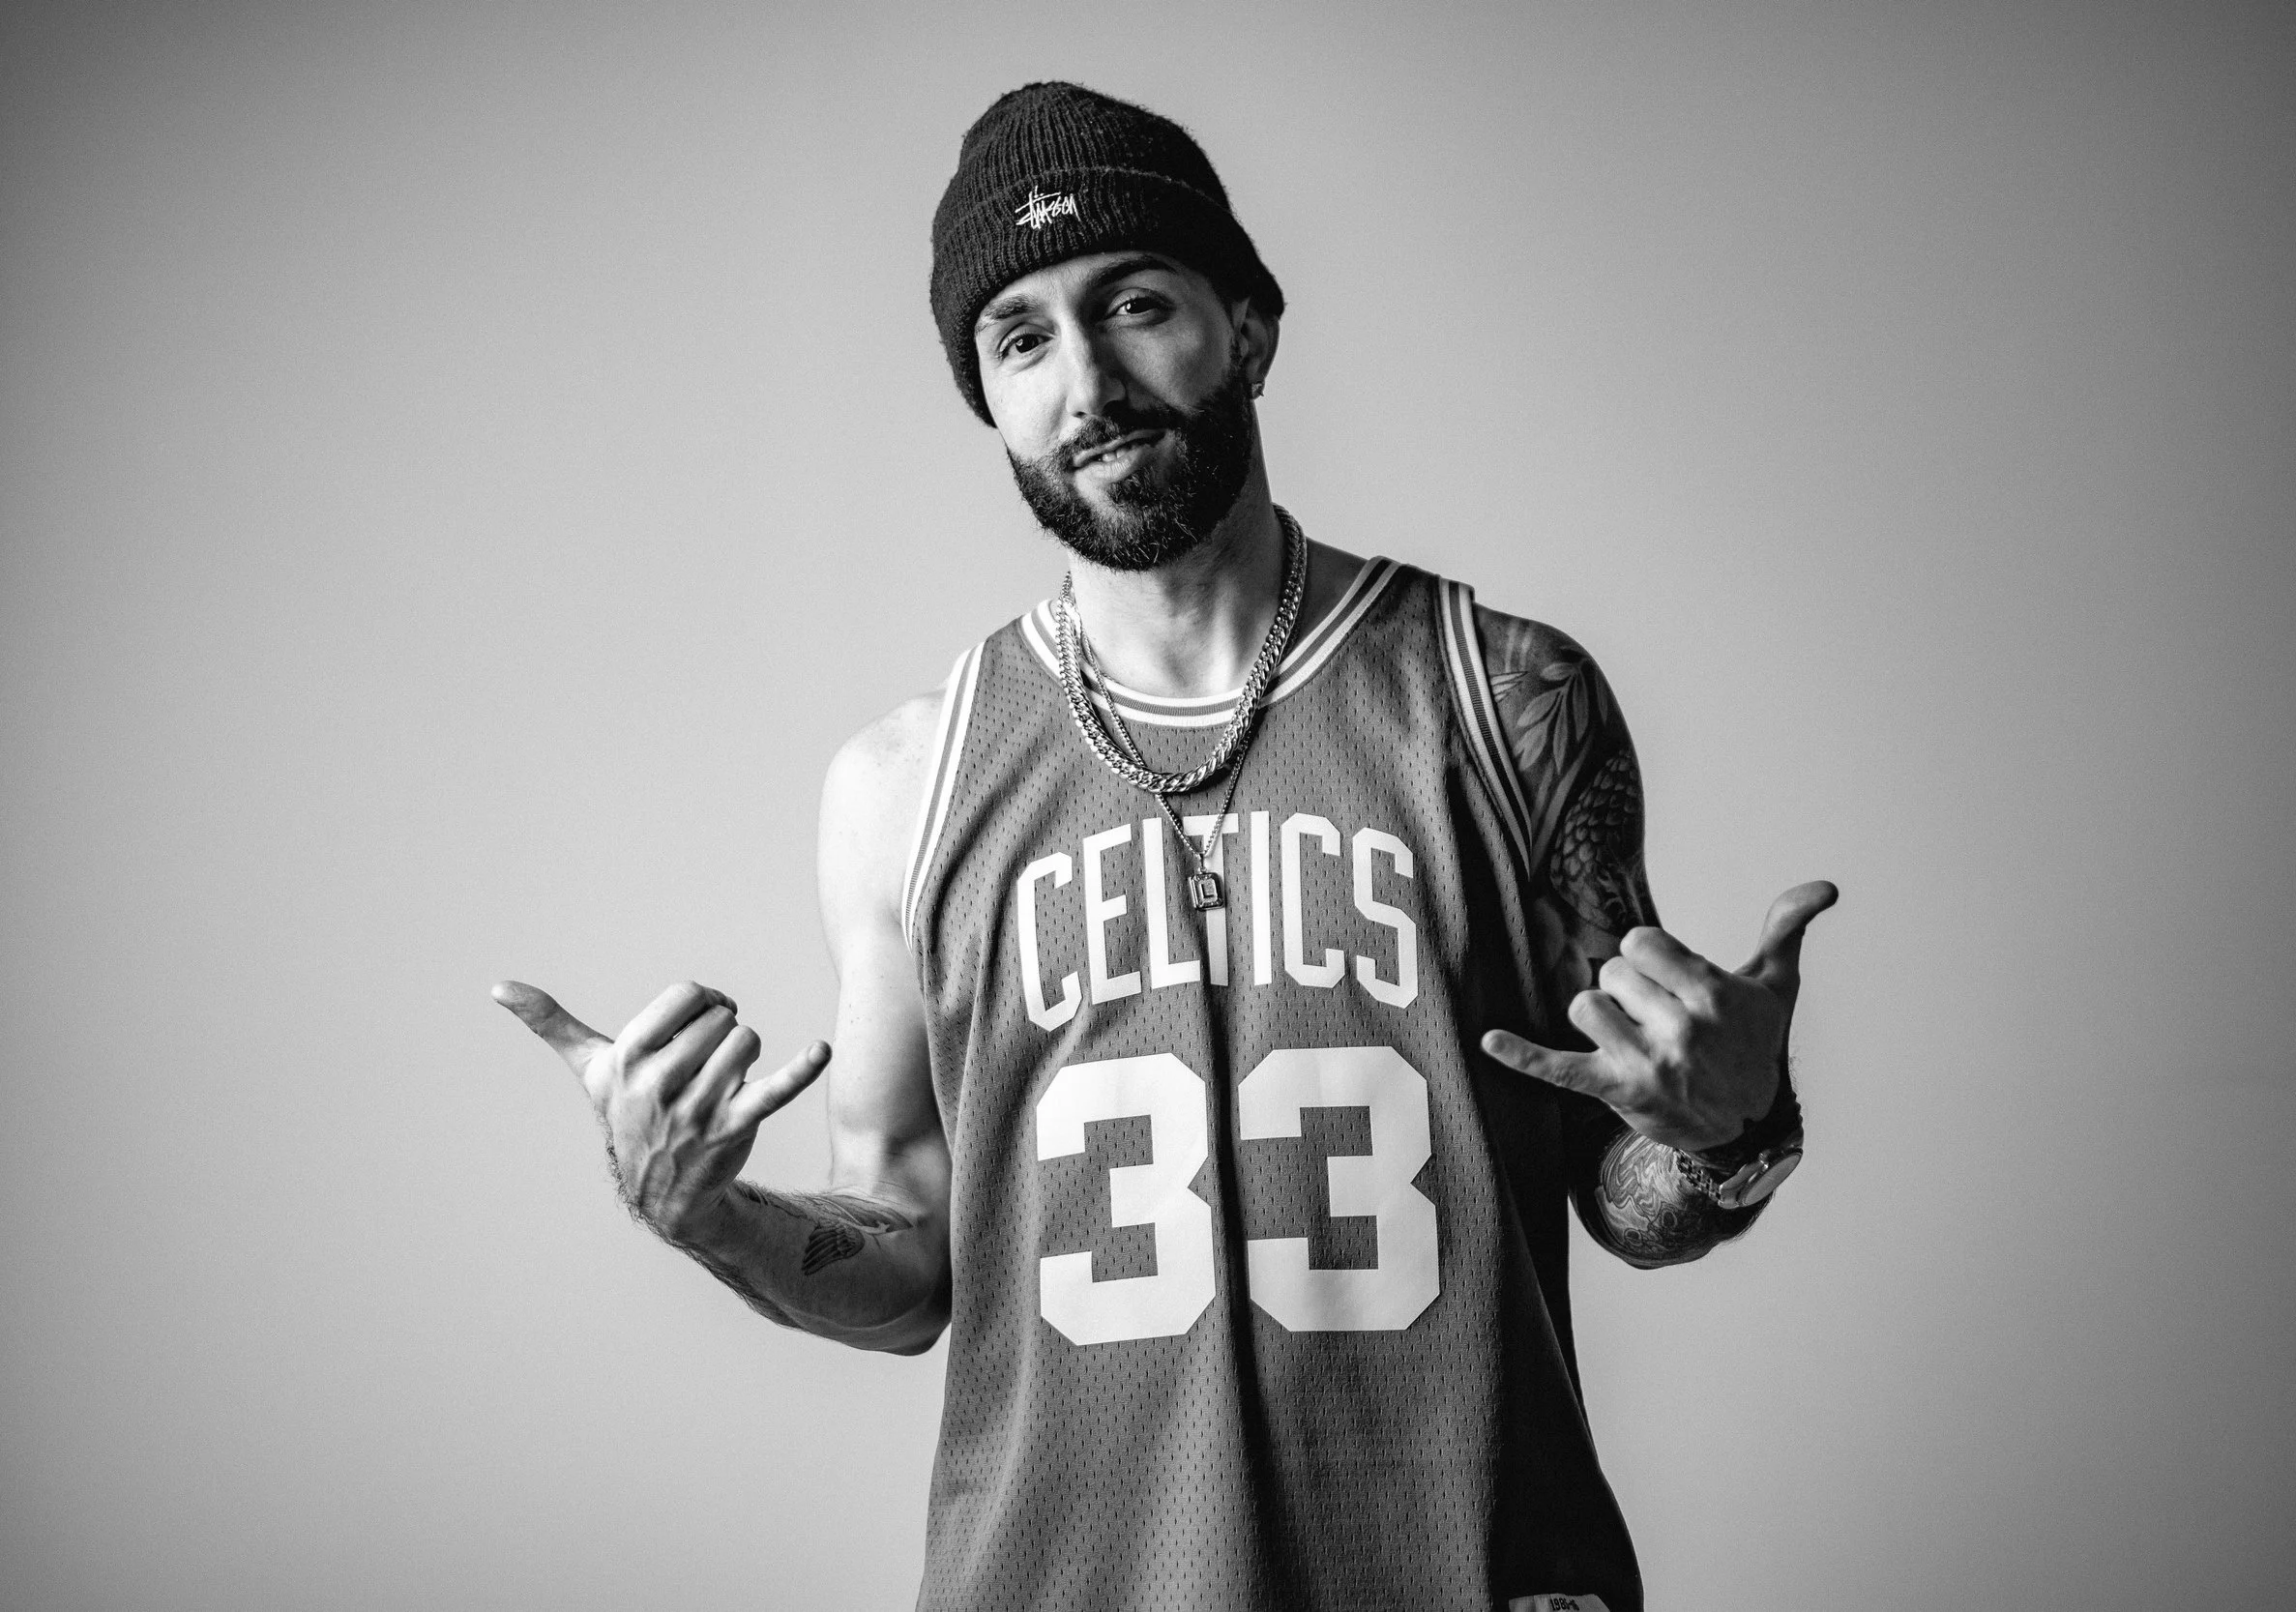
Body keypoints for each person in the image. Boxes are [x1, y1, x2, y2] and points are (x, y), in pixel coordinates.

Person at [495, 81, 1836, 1612]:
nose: (1088, 382)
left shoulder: (1506, 697)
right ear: (987, 399)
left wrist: (1734, 1131)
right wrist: (711, 1216)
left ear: (1249, 327)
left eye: (1135, 305)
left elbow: (1628, 1192)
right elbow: (913, 1259)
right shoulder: (904, 784)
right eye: (1023, 338)